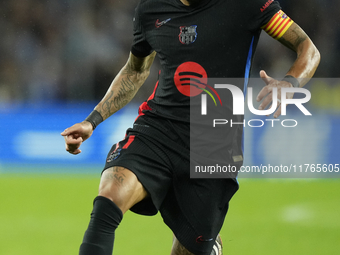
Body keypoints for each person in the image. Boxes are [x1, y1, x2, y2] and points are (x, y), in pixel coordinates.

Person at [61, 0, 320, 254]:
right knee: (110, 195)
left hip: (214, 142)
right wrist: (92, 120)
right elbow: (134, 71)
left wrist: (290, 83)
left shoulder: (249, 4)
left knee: (189, 248)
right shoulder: (151, 9)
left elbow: (308, 49)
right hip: (157, 127)